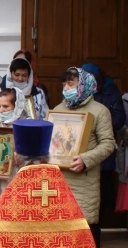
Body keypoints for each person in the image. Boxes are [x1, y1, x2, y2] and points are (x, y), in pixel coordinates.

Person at [0, 119, 96, 248]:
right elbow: (80, 236)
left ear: (16, 158)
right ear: (47, 157)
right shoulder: (60, 188)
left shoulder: (12, 194)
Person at [54, 67, 115, 247]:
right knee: (62, 230)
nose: (66, 88)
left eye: (70, 83)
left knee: (85, 231)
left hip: (84, 180)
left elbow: (108, 143)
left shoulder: (100, 111)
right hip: (61, 178)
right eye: (64, 83)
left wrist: (85, 159)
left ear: (83, 85)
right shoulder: (58, 108)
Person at [82, 63, 126, 223]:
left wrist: (98, 125)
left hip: (101, 150)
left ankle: (97, 226)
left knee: (101, 191)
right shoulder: (78, 94)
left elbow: (119, 118)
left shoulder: (110, 92)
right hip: (81, 151)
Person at [0, 57, 48, 125]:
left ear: (29, 75)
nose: (20, 78)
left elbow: (45, 117)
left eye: (24, 75)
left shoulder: (38, 93)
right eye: (17, 75)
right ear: (10, 74)